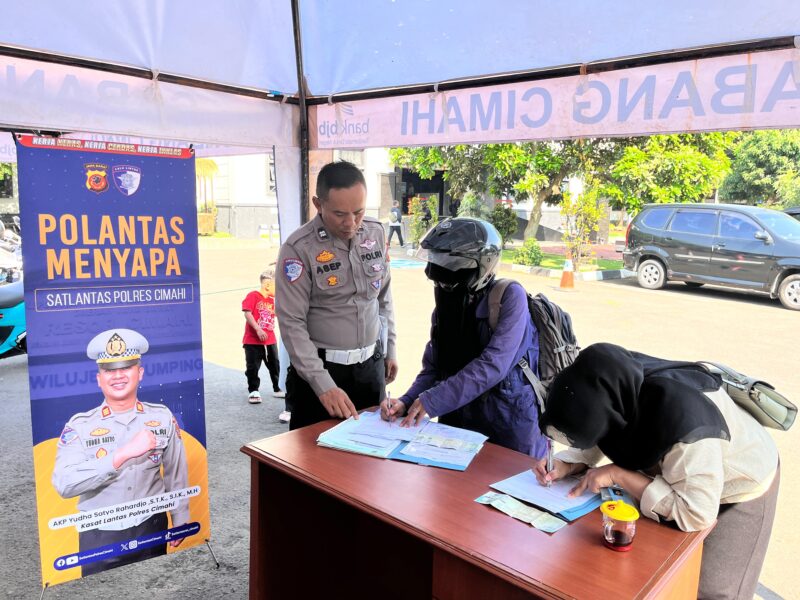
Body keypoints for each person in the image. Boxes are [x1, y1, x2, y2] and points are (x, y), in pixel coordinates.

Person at [536, 343, 780, 600]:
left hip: (741, 482)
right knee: (663, 576)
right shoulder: (614, 382)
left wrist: (618, 474)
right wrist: (570, 463)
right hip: (684, 474)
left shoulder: (686, 426)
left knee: (712, 590)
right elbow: (604, 423)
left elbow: (697, 512)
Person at [381, 217, 548, 459]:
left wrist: (433, 400)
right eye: (436, 262)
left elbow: (493, 365)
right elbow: (434, 368)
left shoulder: (510, 297)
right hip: (457, 423)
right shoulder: (447, 301)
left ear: (483, 265)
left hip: (507, 425)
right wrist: (405, 401)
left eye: (449, 264)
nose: (439, 275)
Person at [52, 328, 189, 575]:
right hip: (100, 535)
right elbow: (64, 484)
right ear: (99, 378)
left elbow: (175, 472)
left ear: (140, 373)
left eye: (125, 367)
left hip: (152, 526)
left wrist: (179, 517)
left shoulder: (161, 417)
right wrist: (120, 456)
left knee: (154, 587)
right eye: (109, 370)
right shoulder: (80, 426)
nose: (118, 376)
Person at [276, 160, 398, 430]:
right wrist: (323, 385)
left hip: (370, 369)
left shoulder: (376, 233)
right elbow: (291, 324)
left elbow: (383, 297)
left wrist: (390, 348)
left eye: (358, 211)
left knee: (369, 462)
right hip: (321, 373)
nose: (351, 223)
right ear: (318, 204)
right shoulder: (298, 248)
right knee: (314, 464)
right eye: (340, 213)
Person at [242, 268, 289, 423]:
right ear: (267, 285)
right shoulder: (253, 296)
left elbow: (275, 314)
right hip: (253, 340)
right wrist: (258, 329)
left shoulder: (271, 301)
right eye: (277, 285)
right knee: (253, 366)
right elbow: (247, 313)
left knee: (274, 364)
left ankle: (277, 387)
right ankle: (254, 390)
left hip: (269, 339)